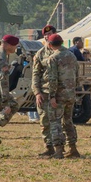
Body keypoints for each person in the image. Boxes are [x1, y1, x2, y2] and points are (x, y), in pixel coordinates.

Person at [44, 34, 79, 159]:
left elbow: (52, 79)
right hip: (71, 93)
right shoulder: (72, 55)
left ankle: (58, 150)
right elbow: (78, 74)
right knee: (68, 121)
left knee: (55, 121)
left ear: (50, 45)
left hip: (59, 94)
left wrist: (52, 95)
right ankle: (73, 148)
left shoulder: (53, 58)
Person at [31, 25, 58, 156]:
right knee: (44, 120)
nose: (47, 37)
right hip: (44, 92)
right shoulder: (40, 53)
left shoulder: (61, 52)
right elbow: (35, 74)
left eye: (50, 34)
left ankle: (60, 146)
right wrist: (37, 92)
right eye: (45, 35)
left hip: (59, 93)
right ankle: (48, 147)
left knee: (59, 121)